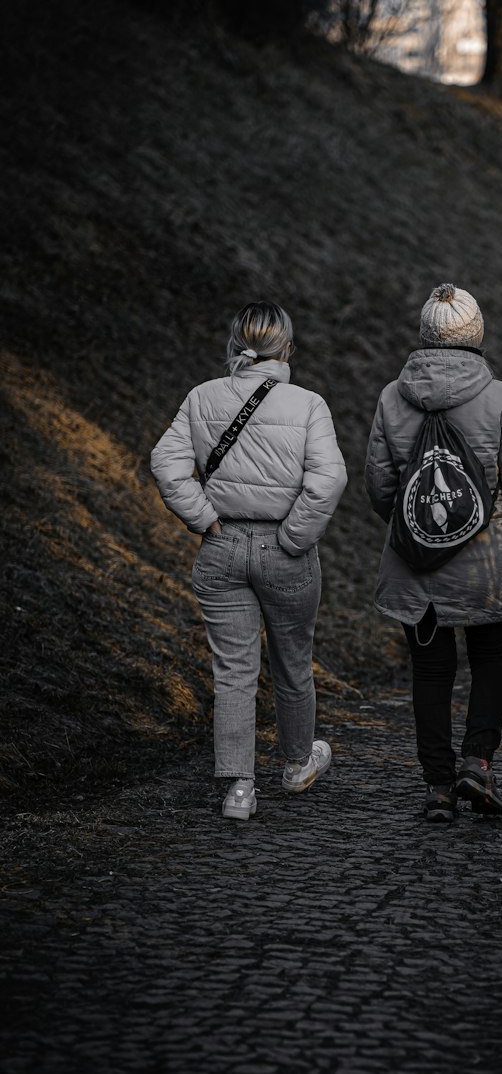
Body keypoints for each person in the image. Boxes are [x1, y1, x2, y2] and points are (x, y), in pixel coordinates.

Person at [151, 301, 348, 821]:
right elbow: (328, 480)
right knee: (292, 663)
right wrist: (293, 537)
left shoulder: (201, 397)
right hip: (286, 552)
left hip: (222, 547)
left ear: (236, 342)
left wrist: (206, 520)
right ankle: (297, 764)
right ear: (287, 348)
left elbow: (166, 464)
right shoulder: (308, 405)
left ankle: (239, 790)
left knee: (233, 673)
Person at [364, 283, 502, 823]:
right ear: (476, 334)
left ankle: (439, 787)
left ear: (425, 334)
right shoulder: (499, 399)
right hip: (488, 570)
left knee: (430, 672)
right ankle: (477, 763)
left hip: (415, 570)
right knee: (492, 663)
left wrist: (416, 529)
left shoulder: (391, 397)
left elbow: (379, 485)